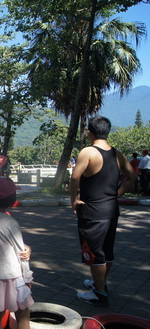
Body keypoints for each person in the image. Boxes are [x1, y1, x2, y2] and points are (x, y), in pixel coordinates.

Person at [69, 116, 136, 307]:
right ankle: (100, 283)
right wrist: (117, 193)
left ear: (89, 132)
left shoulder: (88, 152)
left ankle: (99, 293)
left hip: (92, 210)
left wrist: (73, 200)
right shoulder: (118, 154)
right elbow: (131, 176)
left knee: (94, 252)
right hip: (111, 209)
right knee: (107, 250)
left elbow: (75, 178)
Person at [0, 177, 34, 329]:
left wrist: (25, 246)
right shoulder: (10, 222)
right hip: (13, 276)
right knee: (23, 314)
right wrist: (27, 276)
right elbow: (21, 254)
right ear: (12, 199)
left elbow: (3, 240)